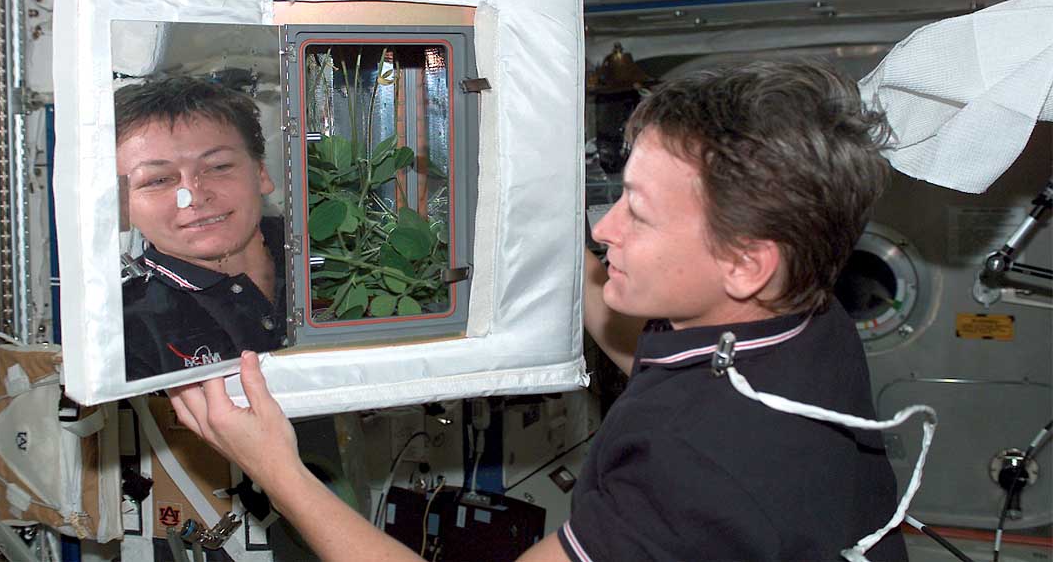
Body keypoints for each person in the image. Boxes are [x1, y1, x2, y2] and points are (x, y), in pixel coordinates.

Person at [168, 61, 908, 560]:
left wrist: (276, 466)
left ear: (748, 262)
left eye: (639, 215)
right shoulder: (804, 320)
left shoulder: (695, 472)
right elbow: (658, 362)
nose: (605, 228)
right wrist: (513, 190)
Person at [114, 77, 287, 381]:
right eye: (157, 180)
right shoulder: (124, 331)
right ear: (122, 206)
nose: (194, 196)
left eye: (218, 167)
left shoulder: (338, 259)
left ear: (261, 173)